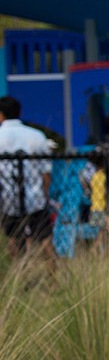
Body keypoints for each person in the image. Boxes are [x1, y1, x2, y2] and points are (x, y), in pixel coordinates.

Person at [0, 95, 54, 258]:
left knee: (12, 239)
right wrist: (45, 195)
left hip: (7, 197)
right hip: (35, 196)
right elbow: (46, 172)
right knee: (45, 240)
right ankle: (54, 278)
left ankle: (19, 277)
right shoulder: (36, 135)